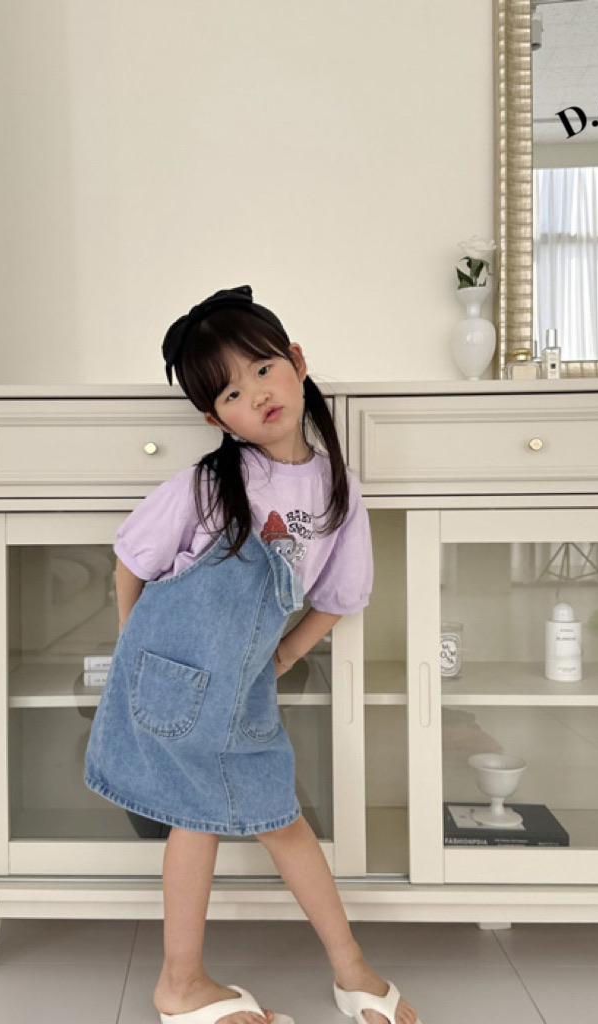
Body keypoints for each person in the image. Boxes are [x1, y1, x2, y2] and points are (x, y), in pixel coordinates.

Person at [84, 286, 422, 1024]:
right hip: (177, 675)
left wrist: (286, 655)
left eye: (265, 369)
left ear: (297, 362)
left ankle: (349, 971)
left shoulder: (337, 490)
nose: (258, 394)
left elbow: (340, 596)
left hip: (243, 686)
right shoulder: (209, 483)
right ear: (216, 419)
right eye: (232, 392)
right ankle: (184, 984)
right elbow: (130, 562)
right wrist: (140, 653)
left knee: (279, 819)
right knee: (201, 819)